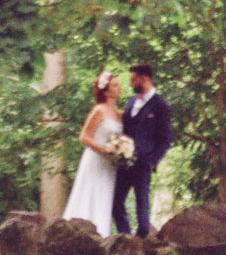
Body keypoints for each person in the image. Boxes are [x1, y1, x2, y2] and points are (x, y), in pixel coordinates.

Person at [62, 71, 125, 234]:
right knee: (91, 193)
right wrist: (104, 150)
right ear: (106, 91)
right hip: (96, 159)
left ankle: (102, 233)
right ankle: (79, 230)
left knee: (105, 196)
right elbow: (84, 136)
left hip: (111, 164)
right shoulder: (99, 110)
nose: (119, 88)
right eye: (115, 85)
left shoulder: (119, 114)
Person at [113, 61, 171, 238]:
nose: (131, 84)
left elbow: (165, 139)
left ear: (144, 79)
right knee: (115, 203)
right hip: (124, 162)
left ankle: (142, 241)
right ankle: (125, 238)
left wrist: (152, 162)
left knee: (142, 207)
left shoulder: (161, 106)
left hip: (144, 163)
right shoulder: (131, 101)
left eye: (133, 80)